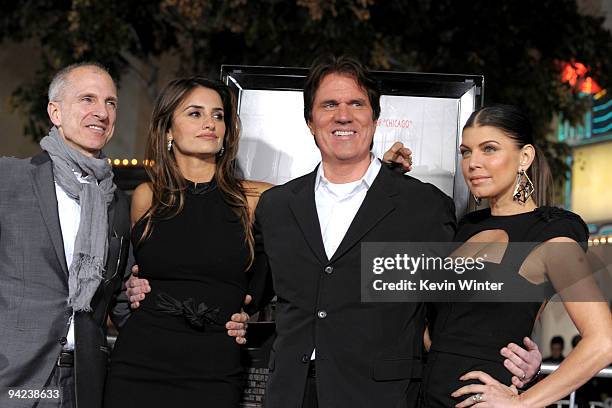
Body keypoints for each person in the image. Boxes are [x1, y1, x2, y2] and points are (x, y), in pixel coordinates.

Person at [126, 56, 542, 407]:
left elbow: (453, 306)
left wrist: (517, 353)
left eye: (356, 104)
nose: (343, 115)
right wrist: (144, 286)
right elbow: (244, 282)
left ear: (375, 119)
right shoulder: (277, 205)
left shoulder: (424, 205)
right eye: (328, 105)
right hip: (289, 392)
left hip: (382, 396)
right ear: (310, 121)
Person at [102, 77, 272, 407]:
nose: (210, 123)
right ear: (168, 130)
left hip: (215, 370)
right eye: (195, 113)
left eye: (218, 115)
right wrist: (132, 286)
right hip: (139, 365)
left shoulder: (254, 198)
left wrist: (249, 310)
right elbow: (126, 273)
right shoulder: (146, 197)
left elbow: (324, 206)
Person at [430, 105, 612, 407]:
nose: (473, 162)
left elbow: (603, 341)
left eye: (489, 149)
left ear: (524, 157)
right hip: (426, 395)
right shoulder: (465, 228)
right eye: (466, 152)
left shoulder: (550, 234)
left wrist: (523, 402)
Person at [0, 63, 131, 408]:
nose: (101, 112)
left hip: (83, 383)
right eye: (87, 99)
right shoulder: (8, 178)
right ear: (55, 112)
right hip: (15, 377)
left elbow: (119, 297)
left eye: (110, 103)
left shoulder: (115, 200)